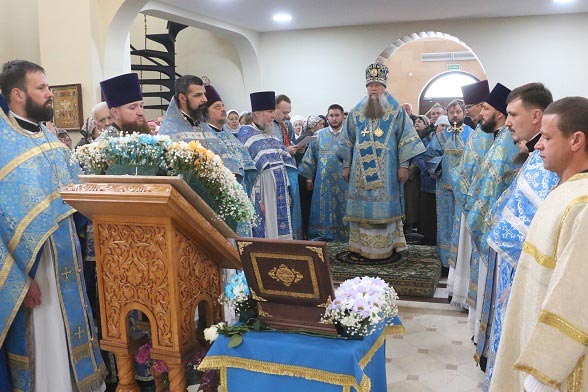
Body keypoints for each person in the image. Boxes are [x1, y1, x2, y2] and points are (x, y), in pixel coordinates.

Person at [0, 59, 105, 392]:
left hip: (67, 262)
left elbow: (76, 201)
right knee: (45, 349)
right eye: (41, 88)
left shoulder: (49, 138)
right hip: (33, 271)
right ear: (17, 94)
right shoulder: (2, 144)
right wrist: (18, 281)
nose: (50, 94)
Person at [490, 96, 588, 392]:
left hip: (553, 371)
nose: (538, 145)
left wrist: (542, 372)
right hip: (531, 333)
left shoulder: (582, 206)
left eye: (547, 137)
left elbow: (575, 296)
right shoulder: (565, 190)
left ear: (576, 141)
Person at [478, 83, 555, 386]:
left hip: (523, 266)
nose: (506, 120)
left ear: (536, 116)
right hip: (511, 263)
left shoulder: (548, 161)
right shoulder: (535, 154)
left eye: (512, 114)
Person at [335, 63, 425, 261]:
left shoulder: (396, 111)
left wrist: (404, 166)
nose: (373, 88)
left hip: (387, 172)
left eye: (377, 84)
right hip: (359, 174)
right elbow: (347, 140)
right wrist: (346, 165)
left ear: (384, 86)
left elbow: (407, 138)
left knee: (385, 210)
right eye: (370, 85)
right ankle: (359, 247)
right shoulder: (357, 111)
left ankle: (387, 247)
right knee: (361, 211)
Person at [462, 83, 523, 356]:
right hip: (487, 223)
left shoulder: (508, 144)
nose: (480, 112)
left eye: (486, 108)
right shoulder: (497, 138)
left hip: (498, 230)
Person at [447, 80, 492, 307]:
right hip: (466, 198)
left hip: (476, 201)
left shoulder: (484, 132)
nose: (469, 111)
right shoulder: (479, 131)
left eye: (470, 106)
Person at [236, 91, 300, 239]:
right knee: (268, 233)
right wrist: (257, 203)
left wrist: (288, 192)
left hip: (280, 196)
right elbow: (249, 175)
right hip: (264, 197)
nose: (273, 115)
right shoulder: (245, 136)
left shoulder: (271, 135)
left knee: (283, 234)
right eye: (270, 112)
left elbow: (285, 166)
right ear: (257, 114)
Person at [158, 75, 243, 181]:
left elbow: (228, 165)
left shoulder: (204, 127)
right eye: (198, 95)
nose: (205, 99)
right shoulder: (170, 131)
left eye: (204, 94)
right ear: (182, 98)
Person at [423, 100, 473, 269]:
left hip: (466, 190)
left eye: (458, 111)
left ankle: (463, 260)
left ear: (464, 113)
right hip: (444, 188)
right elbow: (429, 156)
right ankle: (446, 260)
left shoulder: (473, 135)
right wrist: (441, 164)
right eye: (452, 112)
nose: (455, 115)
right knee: (445, 222)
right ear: (448, 115)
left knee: (463, 224)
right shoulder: (441, 135)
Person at [299, 104, 349, 242]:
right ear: (327, 117)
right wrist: (309, 178)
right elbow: (310, 157)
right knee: (323, 209)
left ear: (342, 117)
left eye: (337, 115)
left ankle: (344, 236)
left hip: (345, 181)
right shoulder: (319, 135)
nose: (334, 118)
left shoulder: (349, 135)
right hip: (323, 183)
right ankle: (323, 236)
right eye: (331, 115)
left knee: (343, 209)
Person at [202, 83, 257, 195]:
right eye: (217, 107)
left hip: (242, 192)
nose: (223, 109)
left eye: (222, 106)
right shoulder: (203, 137)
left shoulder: (231, 137)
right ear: (206, 112)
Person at [413, 115, 438, 245]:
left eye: (420, 121)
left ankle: (435, 236)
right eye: (415, 121)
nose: (417, 123)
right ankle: (428, 235)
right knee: (427, 208)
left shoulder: (438, 136)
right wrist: (429, 170)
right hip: (427, 180)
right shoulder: (424, 137)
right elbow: (419, 156)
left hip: (440, 180)